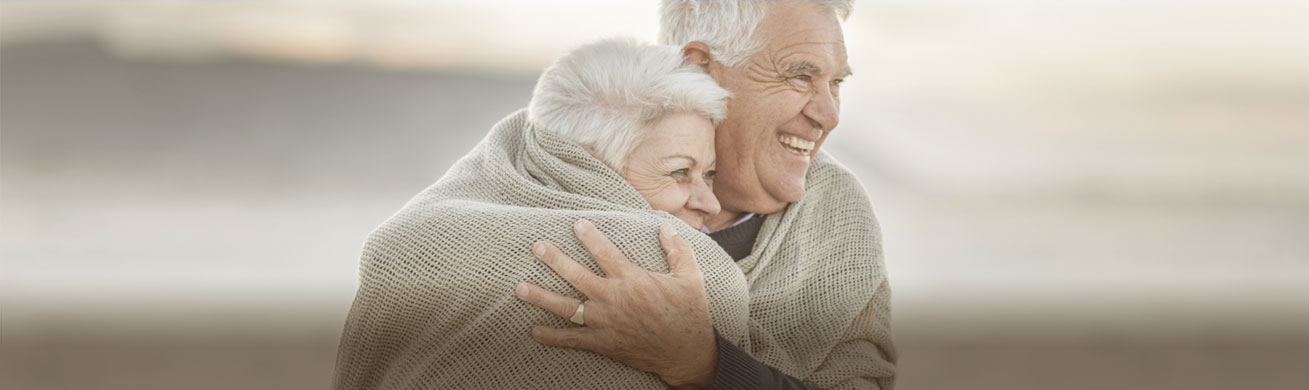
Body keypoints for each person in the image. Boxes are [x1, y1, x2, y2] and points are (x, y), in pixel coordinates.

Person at [334, 38, 762, 389]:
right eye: (679, 172)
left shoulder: (406, 238)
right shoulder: (691, 273)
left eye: (709, 173)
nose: (710, 203)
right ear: (586, 163)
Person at [510, 1, 894, 390]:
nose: (830, 115)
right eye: (800, 76)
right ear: (700, 68)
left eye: (836, 83)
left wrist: (705, 364)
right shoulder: (534, 174)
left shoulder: (836, 217)